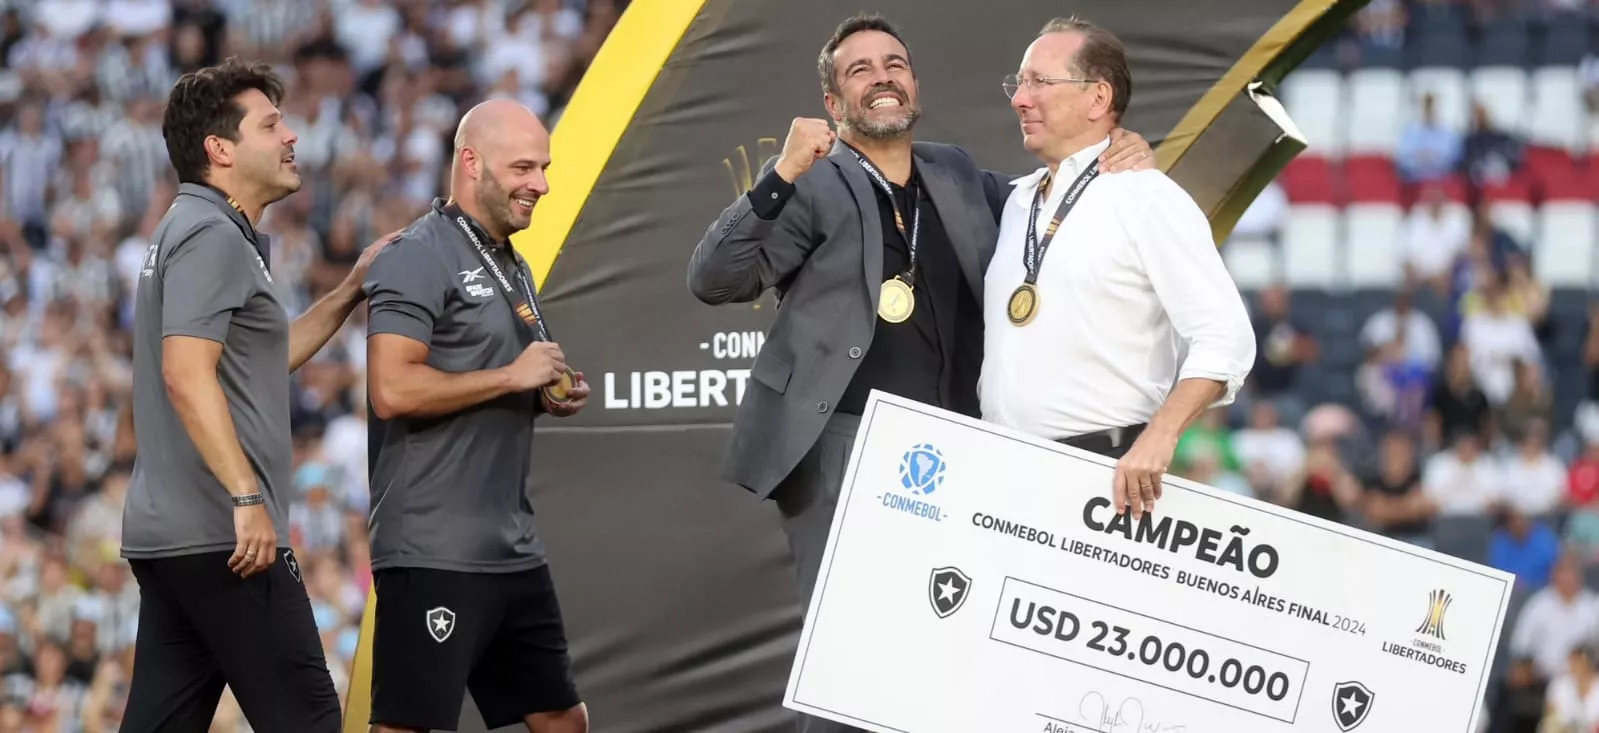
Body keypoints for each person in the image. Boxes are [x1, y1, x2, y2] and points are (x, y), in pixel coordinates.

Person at [687, 13, 1153, 732]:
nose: (882, 78)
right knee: (851, 660)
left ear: (913, 83)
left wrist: (1119, 148)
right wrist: (780, 173)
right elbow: (714, 279)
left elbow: (1054, 201)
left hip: (956, 451)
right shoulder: (812, 183)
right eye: (860, 70)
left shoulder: (954, 171)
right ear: (834, 103)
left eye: (894, 64)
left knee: (940, 659)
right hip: (845, 448)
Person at [120, 57, 392, 732]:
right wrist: (247, 497)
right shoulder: (211, 234)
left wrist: (350, 288)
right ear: (220, 149)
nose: (290, 136)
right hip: (227, 537)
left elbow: (263, 361)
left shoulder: (197, 226)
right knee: (309, 721)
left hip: (179, 536)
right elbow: (185, 372)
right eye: (270, 125)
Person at [361, 98, 590, 733]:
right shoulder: (416, 255)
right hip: (432, 546)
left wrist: (545, 393)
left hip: (509, 544)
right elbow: (391, 388)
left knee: (562, 720)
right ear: (470, 162)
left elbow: (497, 372)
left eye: (543, 168)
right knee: (407, 726)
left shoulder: (511, 261)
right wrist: (512, 377)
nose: (540, 184)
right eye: (523, 168)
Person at [977, 16, 1256, 520]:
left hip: (1103, 477)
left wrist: (1161, 436)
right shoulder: (1016, 202)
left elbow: (1226, 338)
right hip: (1002, 476)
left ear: (1098, 98)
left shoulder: (1147, 197)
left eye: (1039, 82)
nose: (1019, 99)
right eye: (1018, 83)